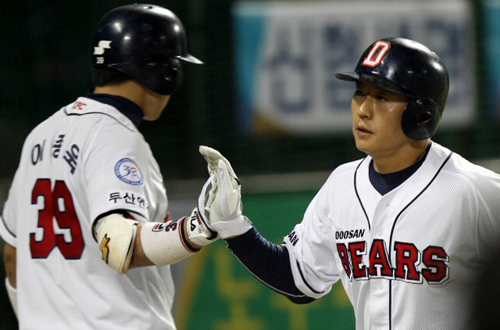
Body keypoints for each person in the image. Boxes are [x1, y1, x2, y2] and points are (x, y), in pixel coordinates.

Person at [198, 37, 500, 330]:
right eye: (360, 93)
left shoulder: (474, 191)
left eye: (381, 97)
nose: (363, 110)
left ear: (421, 113)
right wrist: (234, 228)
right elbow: (299, 280)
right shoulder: (342, 185)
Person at [0, 4, 218, 329]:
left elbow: (12, 256)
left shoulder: (40, 135)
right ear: (161, 73)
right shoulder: (115, 136)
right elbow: (118, 245)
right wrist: (199, 228)